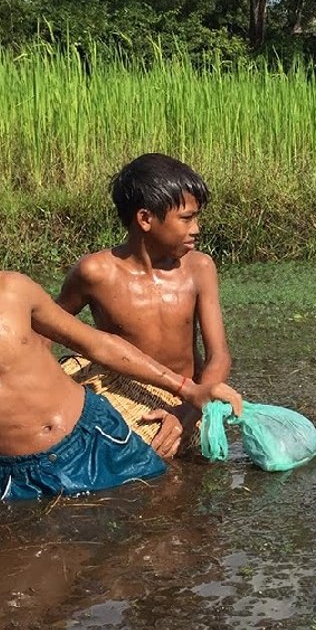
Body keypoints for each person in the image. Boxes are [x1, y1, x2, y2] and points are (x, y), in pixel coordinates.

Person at [0, 164, 243, 521]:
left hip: (101, 431)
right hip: (23, 475)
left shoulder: (14, 291)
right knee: (48, 556)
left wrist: (188, 391)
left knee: (159, 518)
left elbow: (101, 346)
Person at [57, 153, 230, 454]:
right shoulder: (95, 273)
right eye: (187, 218)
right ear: (146, 219)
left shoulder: (199, 268)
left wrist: (188, 412)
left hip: (187, 398)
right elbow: (48, 326)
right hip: (127, 397)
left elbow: (219, 356)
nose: (196, 229)